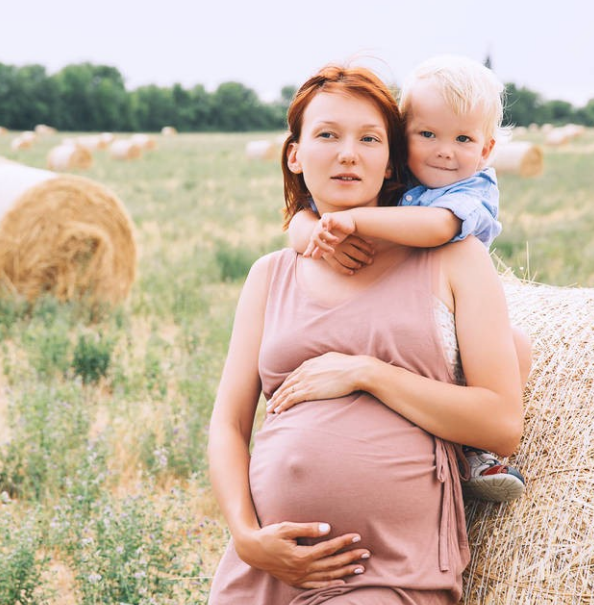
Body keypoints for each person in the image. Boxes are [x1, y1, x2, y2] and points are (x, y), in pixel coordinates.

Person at [207, 64, 523, 604]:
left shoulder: (454, 259)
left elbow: (500, 423)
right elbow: (229, 425)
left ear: (391, 156)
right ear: (295, 154)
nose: (348, 153)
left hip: (387, 572)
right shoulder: (270, 274)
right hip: (265, 571)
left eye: (369, 138)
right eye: (327, 134)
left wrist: (367, 373)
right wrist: (246, 536)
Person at [285, 54, 529, 503]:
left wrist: (356, 221)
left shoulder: (471, 189)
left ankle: (474, 450)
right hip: (409, 317)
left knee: (517, 348)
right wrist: (310, 235)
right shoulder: (394, 178)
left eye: (463, 139)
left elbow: (437, 227)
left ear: (487, 149)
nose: (444, 150)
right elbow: (305, 216)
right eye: (427, 134)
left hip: (455, 324)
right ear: (404, 140)